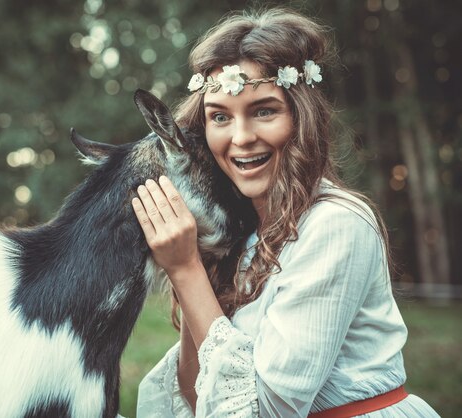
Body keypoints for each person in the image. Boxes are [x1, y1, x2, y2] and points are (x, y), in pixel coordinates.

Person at [130, 7, 441, 418]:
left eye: (263, 111)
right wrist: (195, 266)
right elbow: (197, 396)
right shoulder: (241, 236)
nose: (241, 138)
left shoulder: (335, 226)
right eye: (220, 116)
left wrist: (185, 269)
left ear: (301, 117)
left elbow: (268, 410)